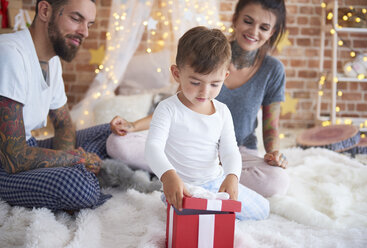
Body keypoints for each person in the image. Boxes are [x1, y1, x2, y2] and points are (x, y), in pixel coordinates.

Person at [109, 0, 289, 198]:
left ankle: (204, 178)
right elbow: (178, 106)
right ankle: (172, 173)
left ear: (272, 32)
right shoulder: (206, 53)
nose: (254, 31)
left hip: (239, 152)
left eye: (264, 27)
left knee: (277, 181)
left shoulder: (273, 70)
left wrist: (273, 153)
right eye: (248, 21)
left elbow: (271, 126)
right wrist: (133, 126)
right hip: (187, 147)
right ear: (235, 19)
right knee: (117, 143)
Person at [144, 26, 269, 221]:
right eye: (195, 82)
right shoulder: (168, 108)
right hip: (182, 186)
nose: (204, 92)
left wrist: (232, 177)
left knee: (263, 209)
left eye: (214, 84)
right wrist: (168, 176)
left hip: (214, 183)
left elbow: (229, 151)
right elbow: (153, 147)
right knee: (191, 217)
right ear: (177, 74)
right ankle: (203, 208)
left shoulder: (222, 112)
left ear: (225, 77)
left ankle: (211, 207)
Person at [0, 0, 112, 211]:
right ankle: (77, 184)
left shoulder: (52, 61)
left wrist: (66, 162)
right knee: (79, 187)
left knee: (109, 133)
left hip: (28, 148)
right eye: (76, 19)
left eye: (89, 24)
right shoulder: (10, 54)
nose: (85, 32)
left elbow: (64, 124)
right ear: (45, 11)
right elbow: (13, 157)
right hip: (5, 164)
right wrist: (74, 159)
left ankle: (70, 179)